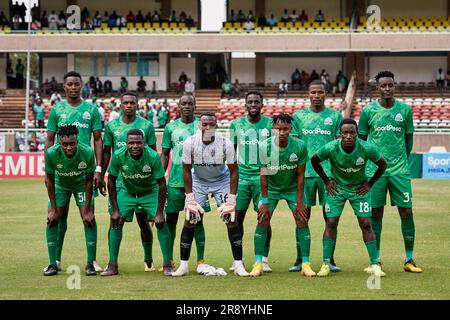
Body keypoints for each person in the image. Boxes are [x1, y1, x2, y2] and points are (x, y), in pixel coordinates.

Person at [358, 71, 422, 274]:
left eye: (390, 85)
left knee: (407, 211)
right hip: (375, 172)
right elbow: (361, 141)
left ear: (394, 86)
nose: (387, 89)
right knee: (376, 213)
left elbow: (408, 140)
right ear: (377, 88)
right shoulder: (368, 111)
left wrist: (400, 160)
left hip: (399, 170)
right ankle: (375, 260)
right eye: (383, 85)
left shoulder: (405, 110)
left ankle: (409, 259)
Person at [172, 112, 248, 277]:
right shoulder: (190, 142)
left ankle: (238, 264)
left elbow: (234, 172)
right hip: (198, 181)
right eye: (204, 124)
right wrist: (189, 196)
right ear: (199, 126)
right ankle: (183, 265)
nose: (207, 128)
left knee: (231, 219)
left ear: (216, 126)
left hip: (221, 181)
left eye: (211, 125)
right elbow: (186, 170)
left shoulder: (225, 144)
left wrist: (232, 198)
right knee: (190, 219)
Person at [311, 118, 387, 277]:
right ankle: (326, 264)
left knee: (366, 223)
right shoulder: (331, 147)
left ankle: (374, 264)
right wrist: (326, 181)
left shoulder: (366, 148)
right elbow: (314, 160)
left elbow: (382, 164)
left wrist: (370, 184)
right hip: (337, 189)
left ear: (357, 134)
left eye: (352, 132)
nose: (348, 136)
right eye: (345, 132)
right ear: (339, 134)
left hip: (359, 189)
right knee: (331, 222)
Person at [45, 71, 104, 273]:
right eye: (69, 84)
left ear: (81, 86)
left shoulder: (91, 110)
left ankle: (92, 260)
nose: (73, 87)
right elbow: (50, 138)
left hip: (83, 170)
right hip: (61, 172)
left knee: (88, 215)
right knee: (56, 217)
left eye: (76, 84)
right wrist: (50, 162)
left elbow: (97, 139)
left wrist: (98, 168)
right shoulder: (57, 110)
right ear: (64, 86)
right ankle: (56, 261)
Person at [101, 129, 171, 276]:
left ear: (144, 143)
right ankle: (112, 265)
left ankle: (167, 265)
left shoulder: (152, 156)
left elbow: (162, 184)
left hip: (149, 191)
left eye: (138, 142)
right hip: (127, 192)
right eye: (131, 143)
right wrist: (115, 210)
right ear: (126, 143)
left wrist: (159, 213)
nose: (134, 146)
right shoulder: (119, 155)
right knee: (116, 221)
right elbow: (112, 182)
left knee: (161, 222)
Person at [290, 80, 343, 273]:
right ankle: (299, 259)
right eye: (313, 92)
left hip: (329, 176)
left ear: (326, 94)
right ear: (308, 94)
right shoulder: (299, 117)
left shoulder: (335, 116)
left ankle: (330, 259)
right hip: (305, 175)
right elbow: (294, 146)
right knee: (302, 218)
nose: (317, 95)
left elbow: (339, 147)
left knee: (331, 219)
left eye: (320, 92)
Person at [249, 113, 309, 277]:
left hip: (291, 188)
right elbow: (264, 175)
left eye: (285, 129)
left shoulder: (300, 146)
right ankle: (258, 263)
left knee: (302, 219)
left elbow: (300, 175)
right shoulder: (264, 146)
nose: (282, 132)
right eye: (278, 129)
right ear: (272, 129)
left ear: (291, 129)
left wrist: (300, 201)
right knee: (263, 219)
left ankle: (305, 263)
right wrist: (265, 201)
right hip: (272, 189)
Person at [43, 125, 97, 276]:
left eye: (72, 144)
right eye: (65, 144)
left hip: (81, 185)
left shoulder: (87, 152)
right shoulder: (51, 153)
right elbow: (49, 181)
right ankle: (53, 264)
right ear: (60, 142)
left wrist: (87, 210)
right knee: (53, 219)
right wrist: (53, 209)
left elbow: (88, 181)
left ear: (77, 141)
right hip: (61, 186)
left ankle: (90, 263)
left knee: (89, 219)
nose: (69, 148)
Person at [160, 93, 206, 272]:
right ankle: (169, 259)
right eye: (183, 104)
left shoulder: (202, 126)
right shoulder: (170, 127)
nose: (187, 106)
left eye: (190, 103)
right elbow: (164, 153)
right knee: (170, 220)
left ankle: (200, 259)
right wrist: (160, 177)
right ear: (179, 107)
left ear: (195, 106)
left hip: (198, 183)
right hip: (175, 182)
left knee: (198, 220)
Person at [229, 91, 273, 272]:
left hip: (262, 177)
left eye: (257, 101)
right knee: (236, 219)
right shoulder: (236, 124)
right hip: (241, 179)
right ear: (245, 105)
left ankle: (264, 258)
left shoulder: (270, 124)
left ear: (262, 104)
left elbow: (275, 153)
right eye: (250, 102)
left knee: (264, 218)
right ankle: (237, 259)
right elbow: (231, 154)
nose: (253, 104)